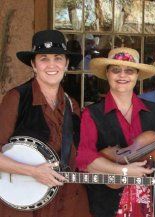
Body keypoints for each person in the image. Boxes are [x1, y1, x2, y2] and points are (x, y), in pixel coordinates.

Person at [76, 47, 155, 217]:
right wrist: (123, 171)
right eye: (116, 70)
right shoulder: (91, 113)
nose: (122, 76)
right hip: (107, 206)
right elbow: (85, 159)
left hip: (150, 204)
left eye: (129, 71)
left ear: (137, 76)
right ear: (107, 74)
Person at [0, 30, 89, 217]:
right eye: (43, 58)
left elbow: (78, 156)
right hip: (23, 207)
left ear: (66, 65)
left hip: (65, 203)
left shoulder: (72, 105)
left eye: (58, 58)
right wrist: (32, 171)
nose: (51, 65)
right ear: (33, 64)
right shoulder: (16, 98)